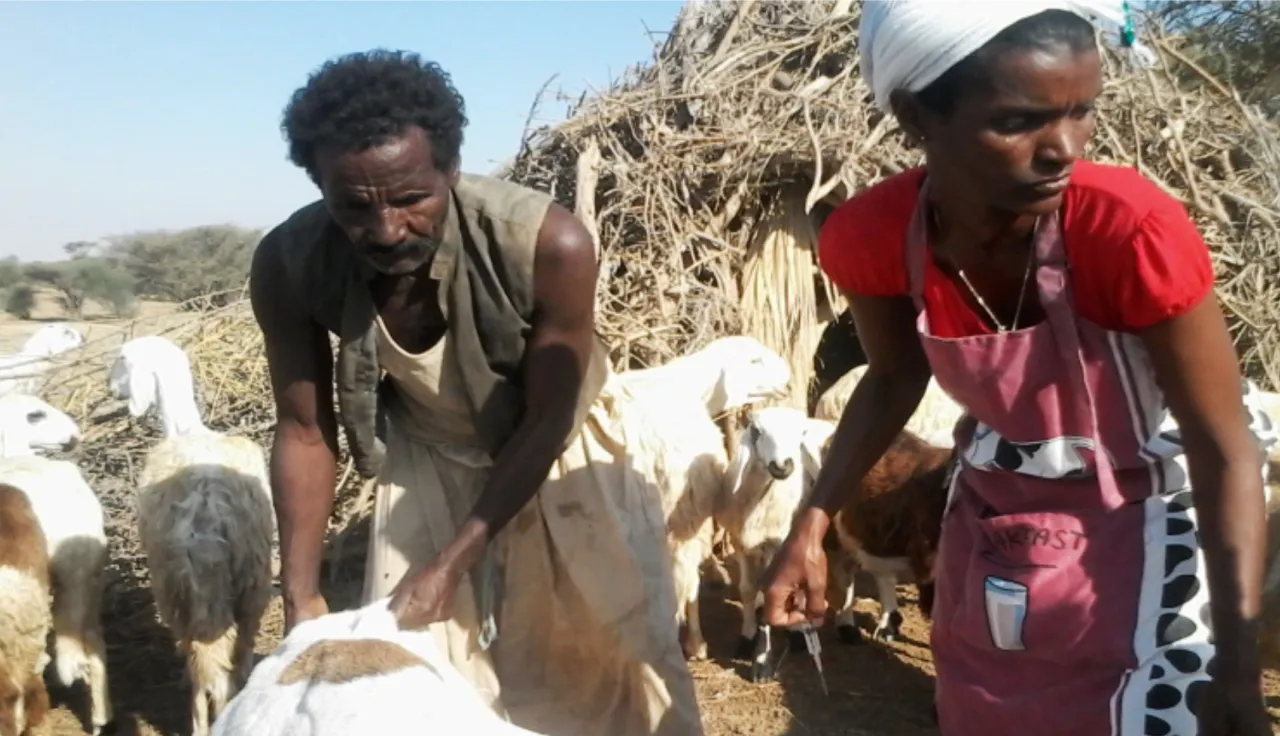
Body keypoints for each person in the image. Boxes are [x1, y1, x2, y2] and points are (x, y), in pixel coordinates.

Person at [762, 3, 1272, 735]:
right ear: (917, 115)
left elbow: (1222, 444)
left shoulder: (1127, 231)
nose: (1063, 148)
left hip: (1153, 528)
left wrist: (1237, 667)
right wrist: (809, 525)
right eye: (1019, 121)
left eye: (1081, 112)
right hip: (997, 530)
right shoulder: (875, 236)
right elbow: (893, 377)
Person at [249, 49, 703, 736]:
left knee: (611, 663)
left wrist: (451, 563)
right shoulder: (290, 263)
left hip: (565, 452)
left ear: (452, 170)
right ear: (319, 188)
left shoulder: (548, 243)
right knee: (421, 676)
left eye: (411, 200)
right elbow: (304, 431)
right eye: (354, 207)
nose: (386, 230)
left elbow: (549, 419)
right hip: (431, 453)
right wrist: (301, 596)